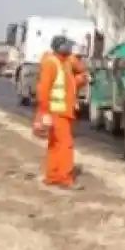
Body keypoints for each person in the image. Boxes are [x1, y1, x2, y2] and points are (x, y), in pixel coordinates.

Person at [34, 35, 85, 189]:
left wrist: (81, 79)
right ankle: (64, 178)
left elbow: (68, 85)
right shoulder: (52, 64)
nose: (71, 49)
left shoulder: (63, 64)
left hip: (61, 112)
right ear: (60, 47)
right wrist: (44, 113)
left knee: (55, 144)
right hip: (57, 112)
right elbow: (43, 90)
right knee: (65, 145)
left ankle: (53, 176)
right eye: (68, 46)